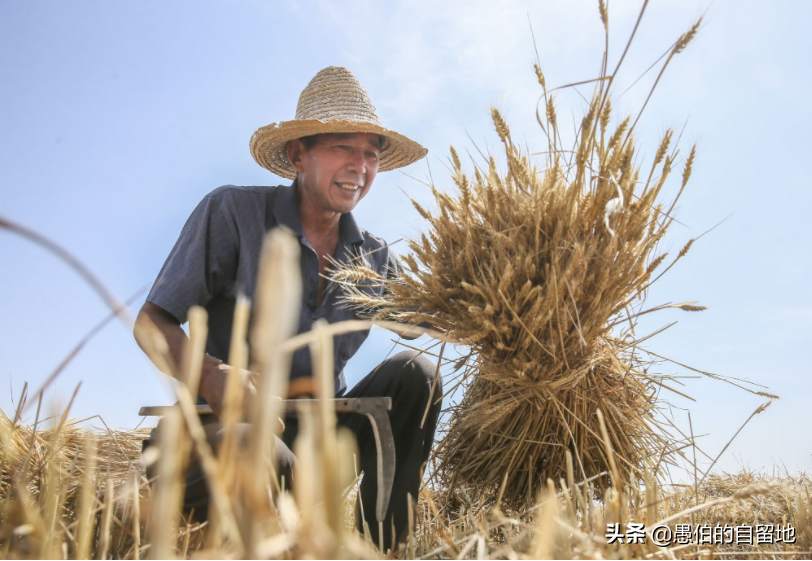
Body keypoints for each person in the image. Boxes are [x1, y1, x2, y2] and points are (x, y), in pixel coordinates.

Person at [134, 66, 442, 549]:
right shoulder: (233, 214)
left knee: (415, 374)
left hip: (318, 452)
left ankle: (379, 548)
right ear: (299, 154)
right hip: (223, 437)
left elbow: (426, 324)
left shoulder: (375, 258)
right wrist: (213, 377)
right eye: (344, 147)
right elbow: (151, 323)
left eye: (371, 153)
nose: (360, 166)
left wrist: (495, 301)